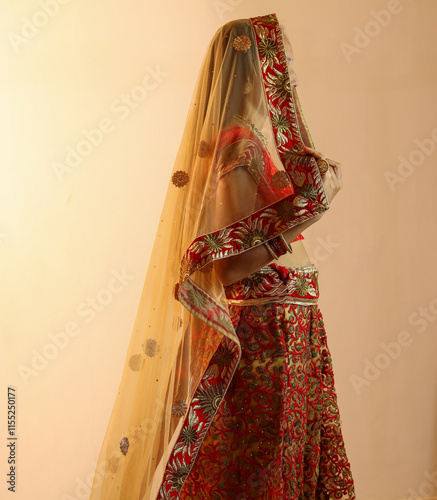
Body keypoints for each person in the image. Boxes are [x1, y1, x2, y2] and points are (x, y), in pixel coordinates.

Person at [90, 12, 355, 500]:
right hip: (262, 355)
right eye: (280, 61)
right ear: (254, 69)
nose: (290, 74)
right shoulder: (238, 148)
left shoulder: (258, 148)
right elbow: (229, 265)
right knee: (256, 481)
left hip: (287, 350)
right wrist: (303, 216)